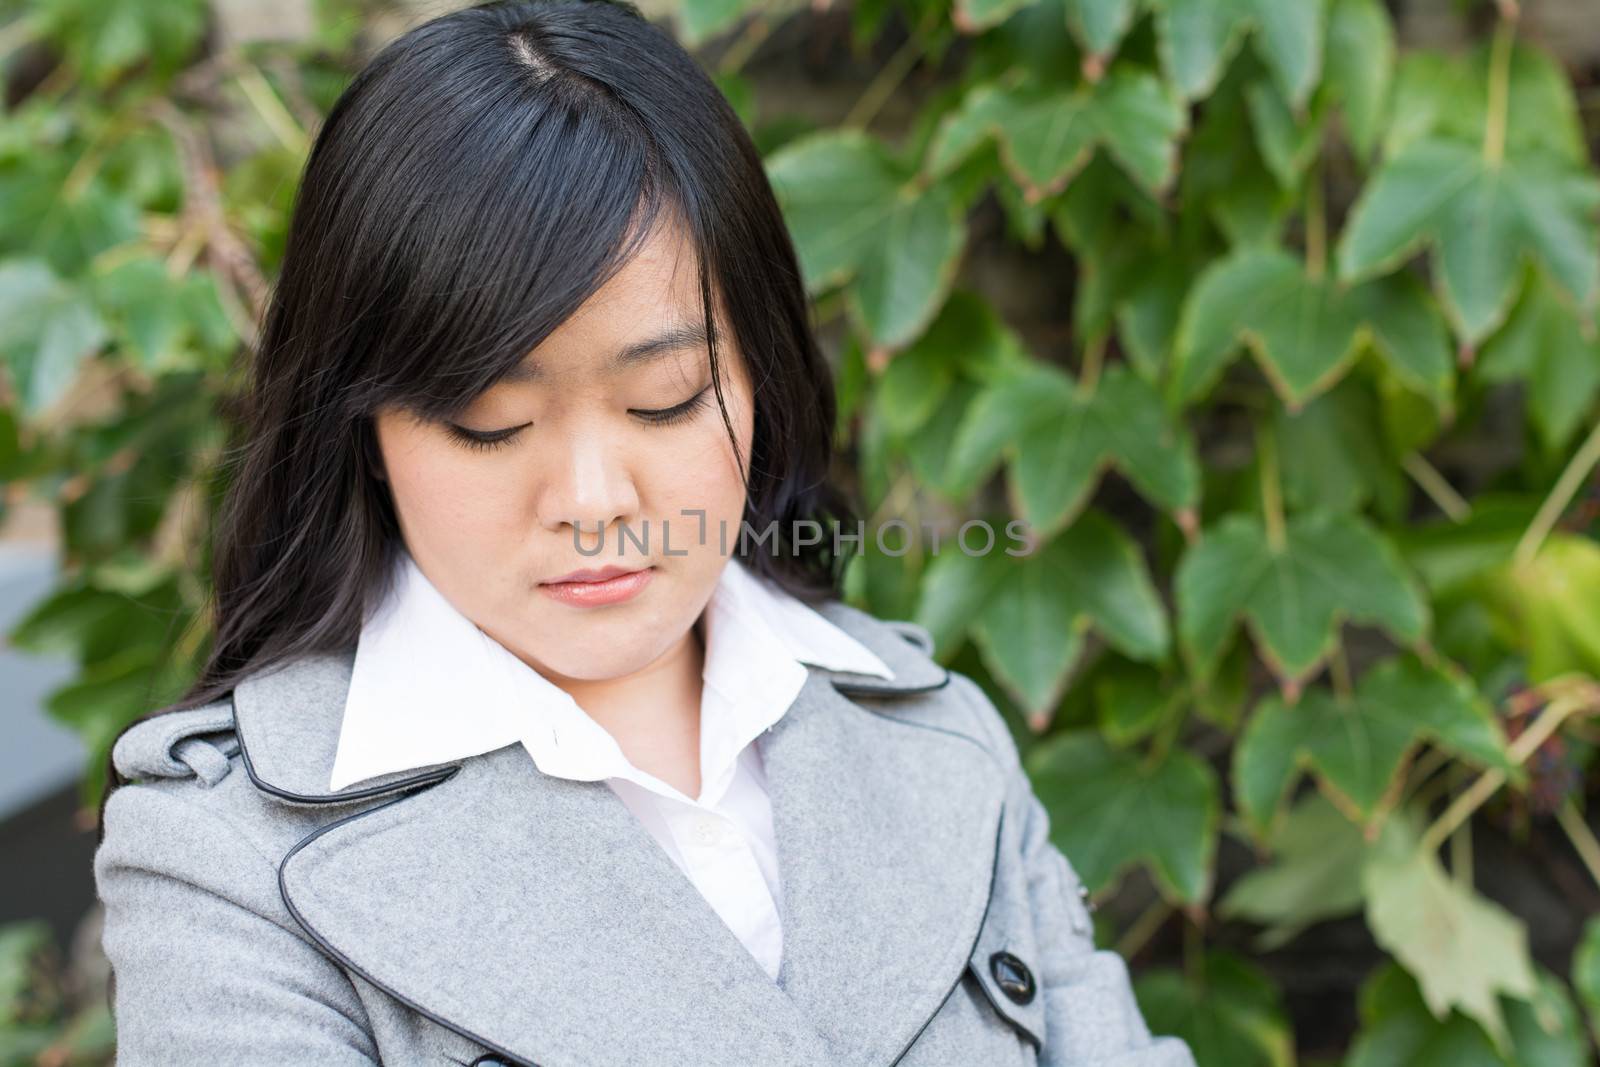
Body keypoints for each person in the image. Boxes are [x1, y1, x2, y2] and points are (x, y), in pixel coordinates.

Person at [91, 2, 1199, 1064]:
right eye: (491, 420)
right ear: (360, 425)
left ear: (762, 374)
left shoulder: (937, 741)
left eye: (666, 399)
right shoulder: (229, 854)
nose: (592, 497)